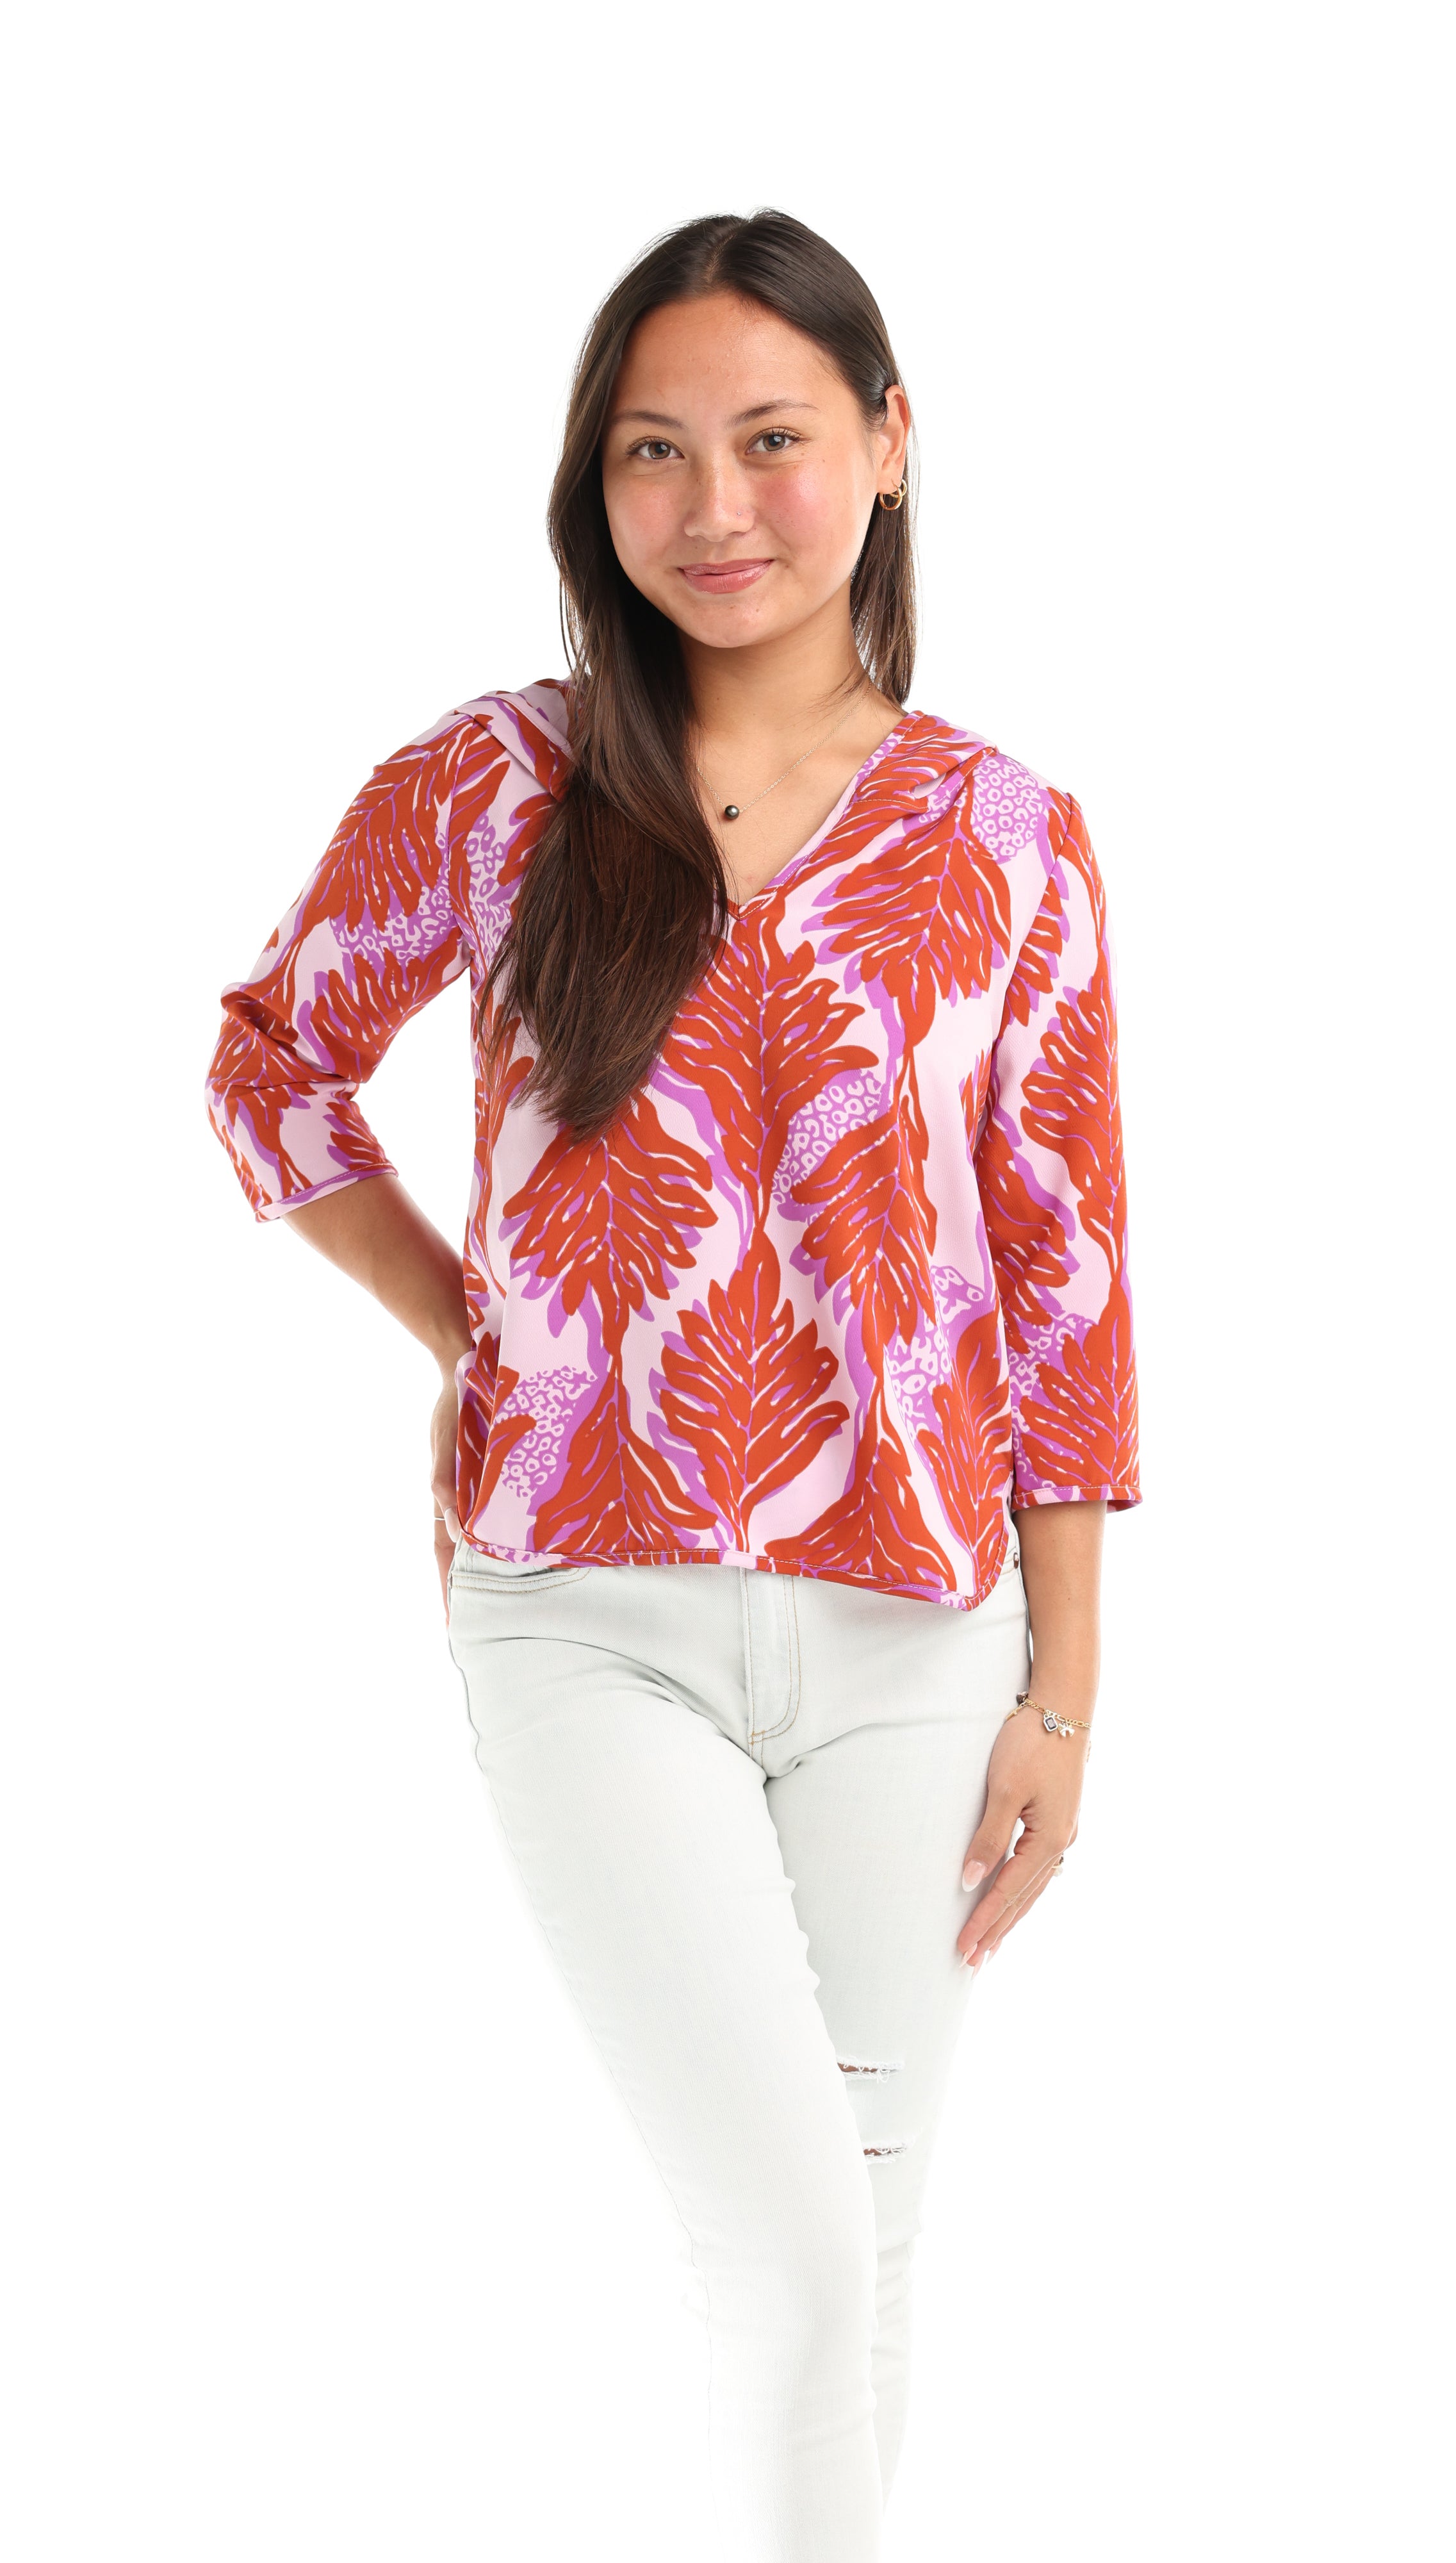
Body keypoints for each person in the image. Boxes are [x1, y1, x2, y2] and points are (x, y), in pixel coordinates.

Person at [206, 207, 1139, 2562]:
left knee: (861, 2258)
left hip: (921, 1639)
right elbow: (271, 1065)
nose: (715, 508)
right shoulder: (494, 784)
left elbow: (1067, 1275)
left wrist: (1066, 1686)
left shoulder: (1008, 836)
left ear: (890, 445)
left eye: (772, 440)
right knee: (796, 2258)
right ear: (591, 480)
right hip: (584, 1621)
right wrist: (479, 1328)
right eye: (652, 451)